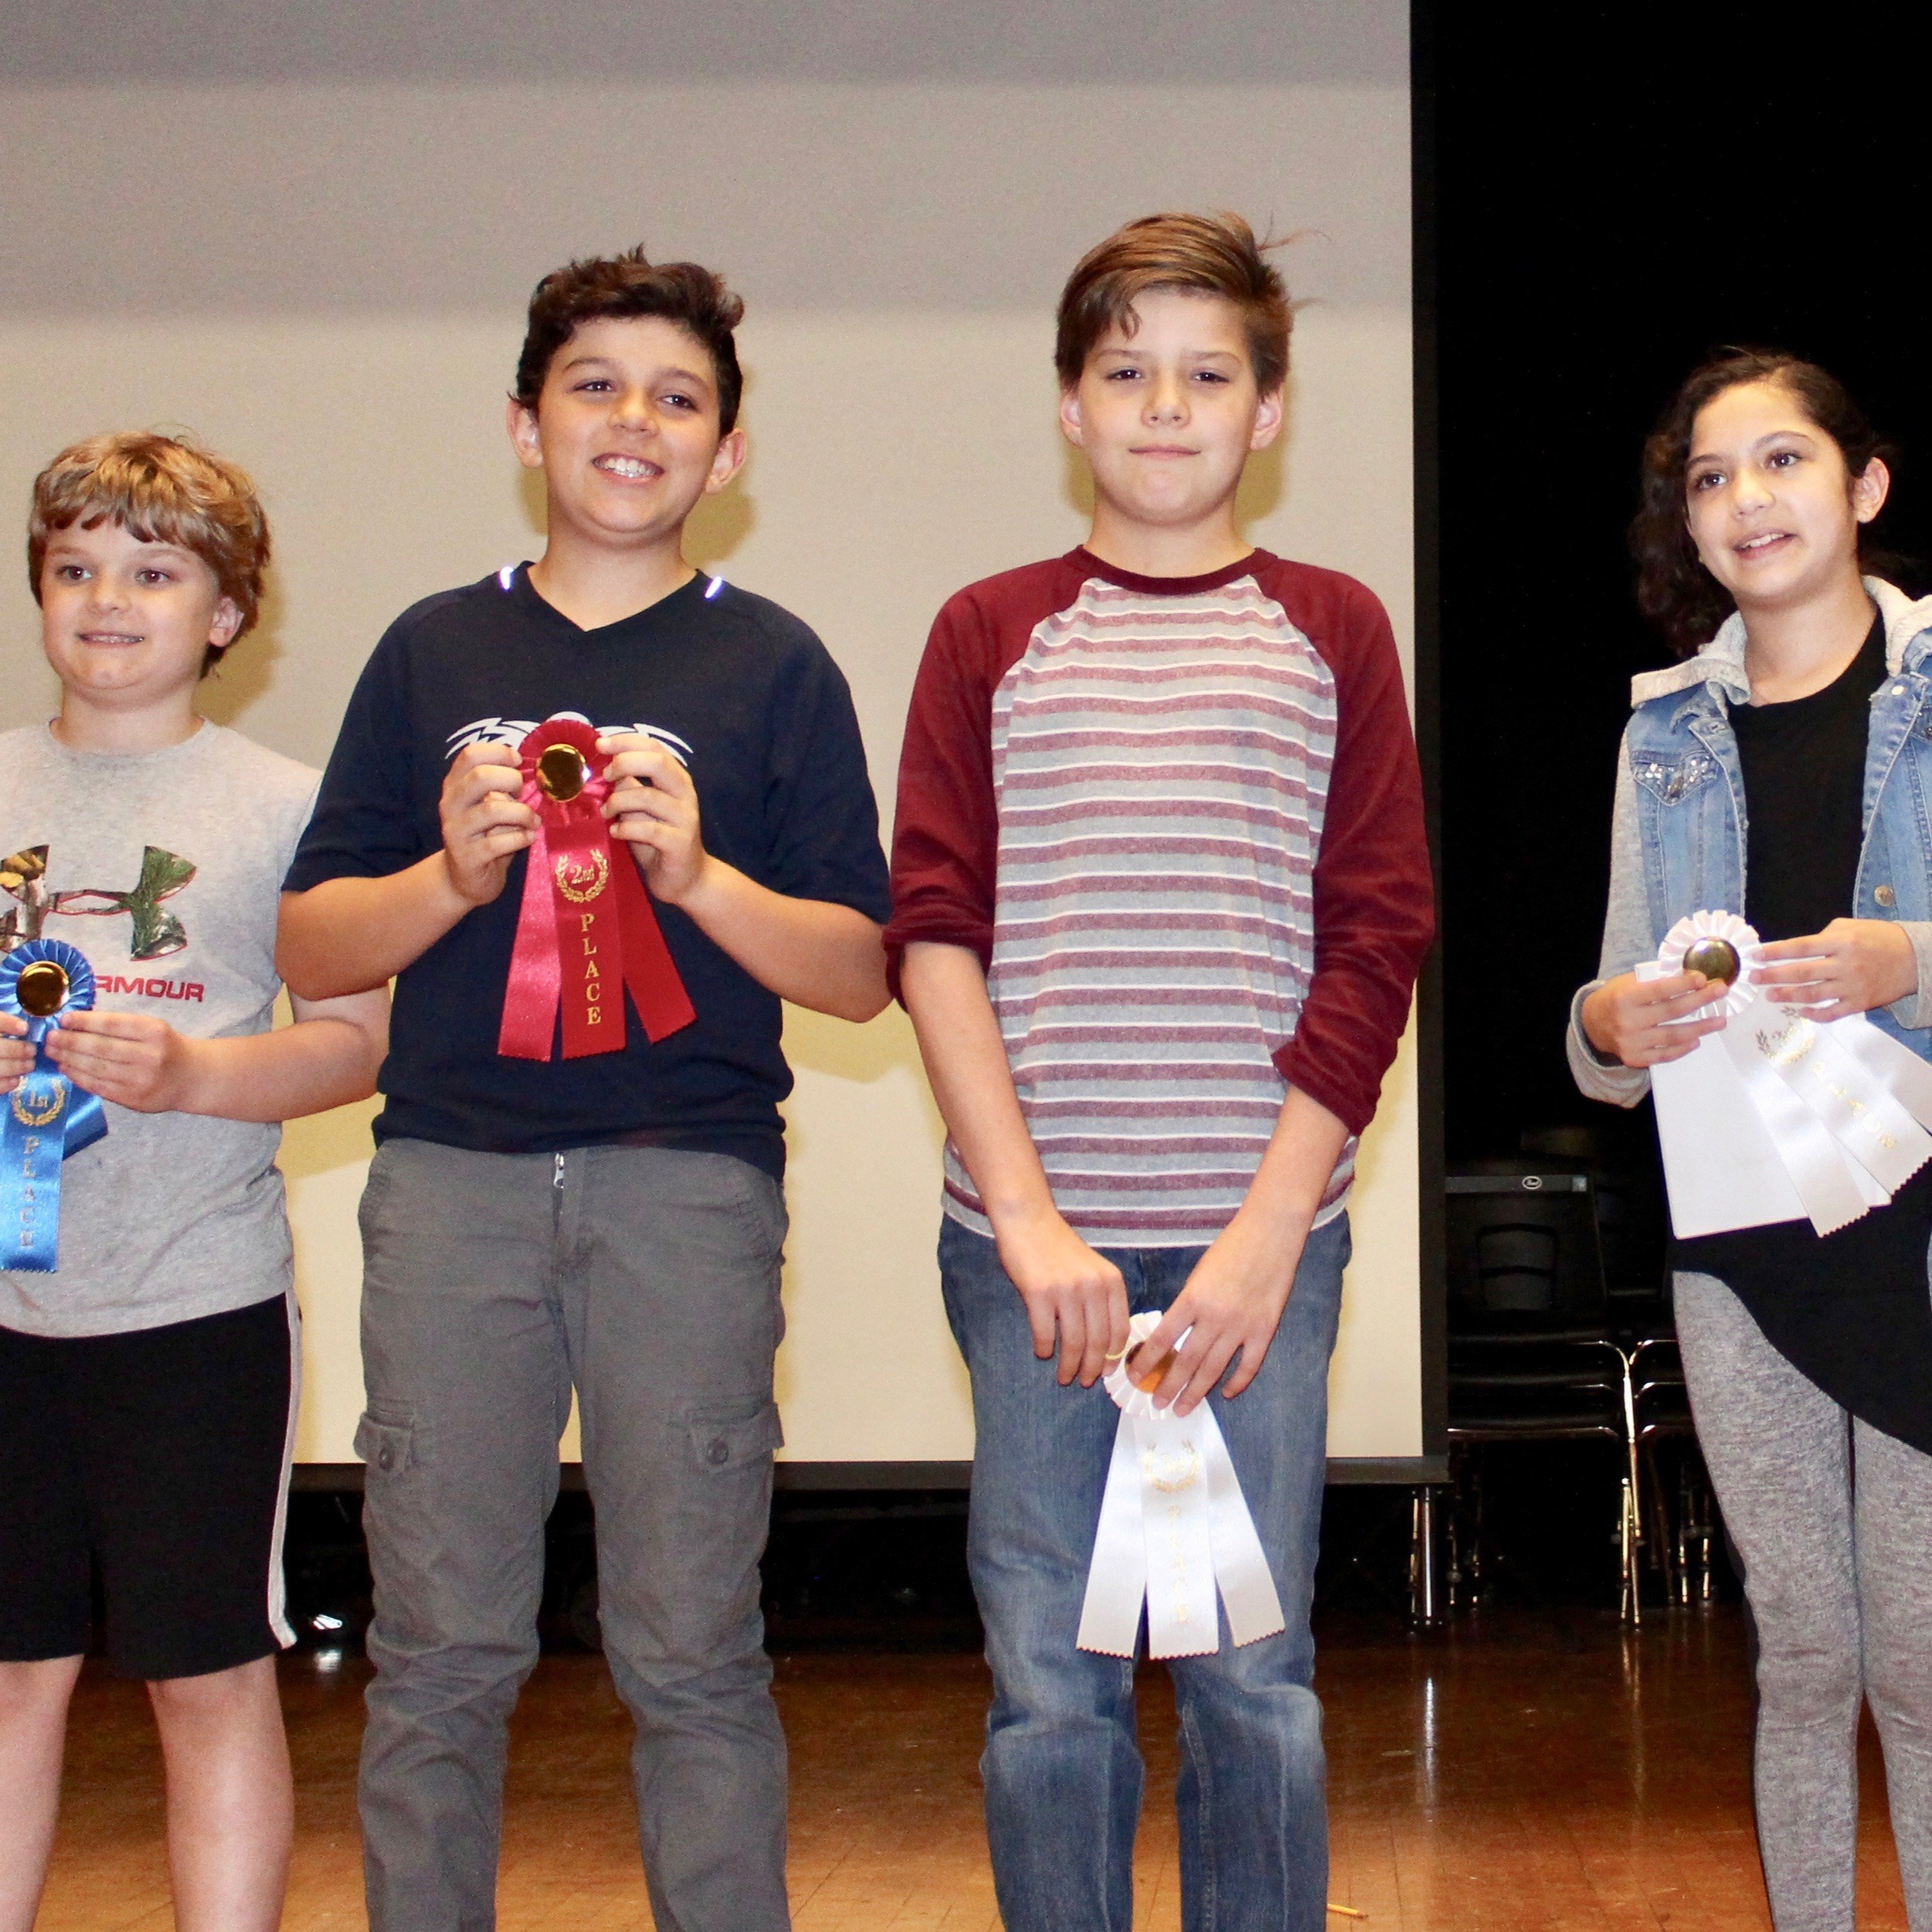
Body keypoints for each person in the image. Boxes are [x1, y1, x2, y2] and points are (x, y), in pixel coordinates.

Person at [277, 245, 892, 1932]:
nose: (637, 422)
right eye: (597, 388)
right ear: (525, 423)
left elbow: (859, 968)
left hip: (688, 1190)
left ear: (731, 450)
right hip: (449, 1188)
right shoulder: (427, 650)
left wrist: (701, 881)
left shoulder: (776, 667)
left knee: (692, 1655)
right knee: (437, 1657)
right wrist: (450, 882)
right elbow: (321, 943)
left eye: (680, 397)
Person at [886, 212, 1433, 1931]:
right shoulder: (987, 630)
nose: (1167, 407)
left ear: (1268, 411)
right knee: (1050, 1686)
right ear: (1069, 403)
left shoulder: (1334, 628)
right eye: (1126, 372)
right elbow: (934, 930)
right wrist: (1033, 1219)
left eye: (1209, 374)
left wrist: (1271, 1232)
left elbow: (1377, 930)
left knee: (1252, 1685)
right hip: (1031, 1255)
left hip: (1256, 1253)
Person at [0, 432, 388, 1932]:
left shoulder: (287, 811)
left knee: (205, 1676)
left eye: (154, 571)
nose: (110, 599)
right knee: (15, 1670)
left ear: (226, 612)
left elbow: (354, 1049)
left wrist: (193, 1078)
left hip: (194, 1313)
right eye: (77, 567)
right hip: (9, 1323)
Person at [1571, 350, 1932, 1928]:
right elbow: (1606, 1017)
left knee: (1923, 1653)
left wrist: (1910, 958)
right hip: (1740, 1241)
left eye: (1781, 463)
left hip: (1918, 1222)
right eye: (1711, 480)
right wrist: (1606, 1022)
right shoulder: (1660, 732)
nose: (1744, 502)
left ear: (1863, 489)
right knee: (1803, 1649)